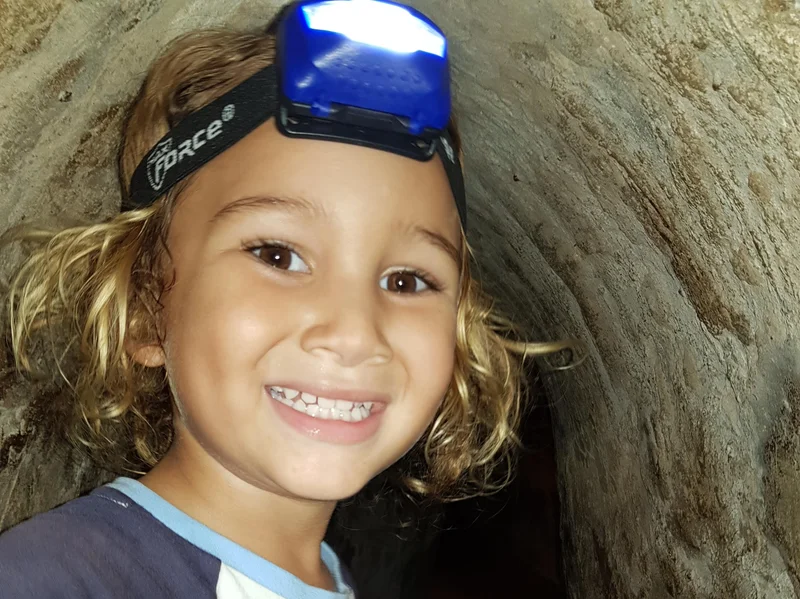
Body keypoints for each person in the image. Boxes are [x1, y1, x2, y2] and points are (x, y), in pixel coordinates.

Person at [0, 1, 571, 597]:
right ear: (147, 304)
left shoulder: (327, 578)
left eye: (407, 281)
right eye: (277, 255)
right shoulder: (51, 580)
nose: (355, 333)